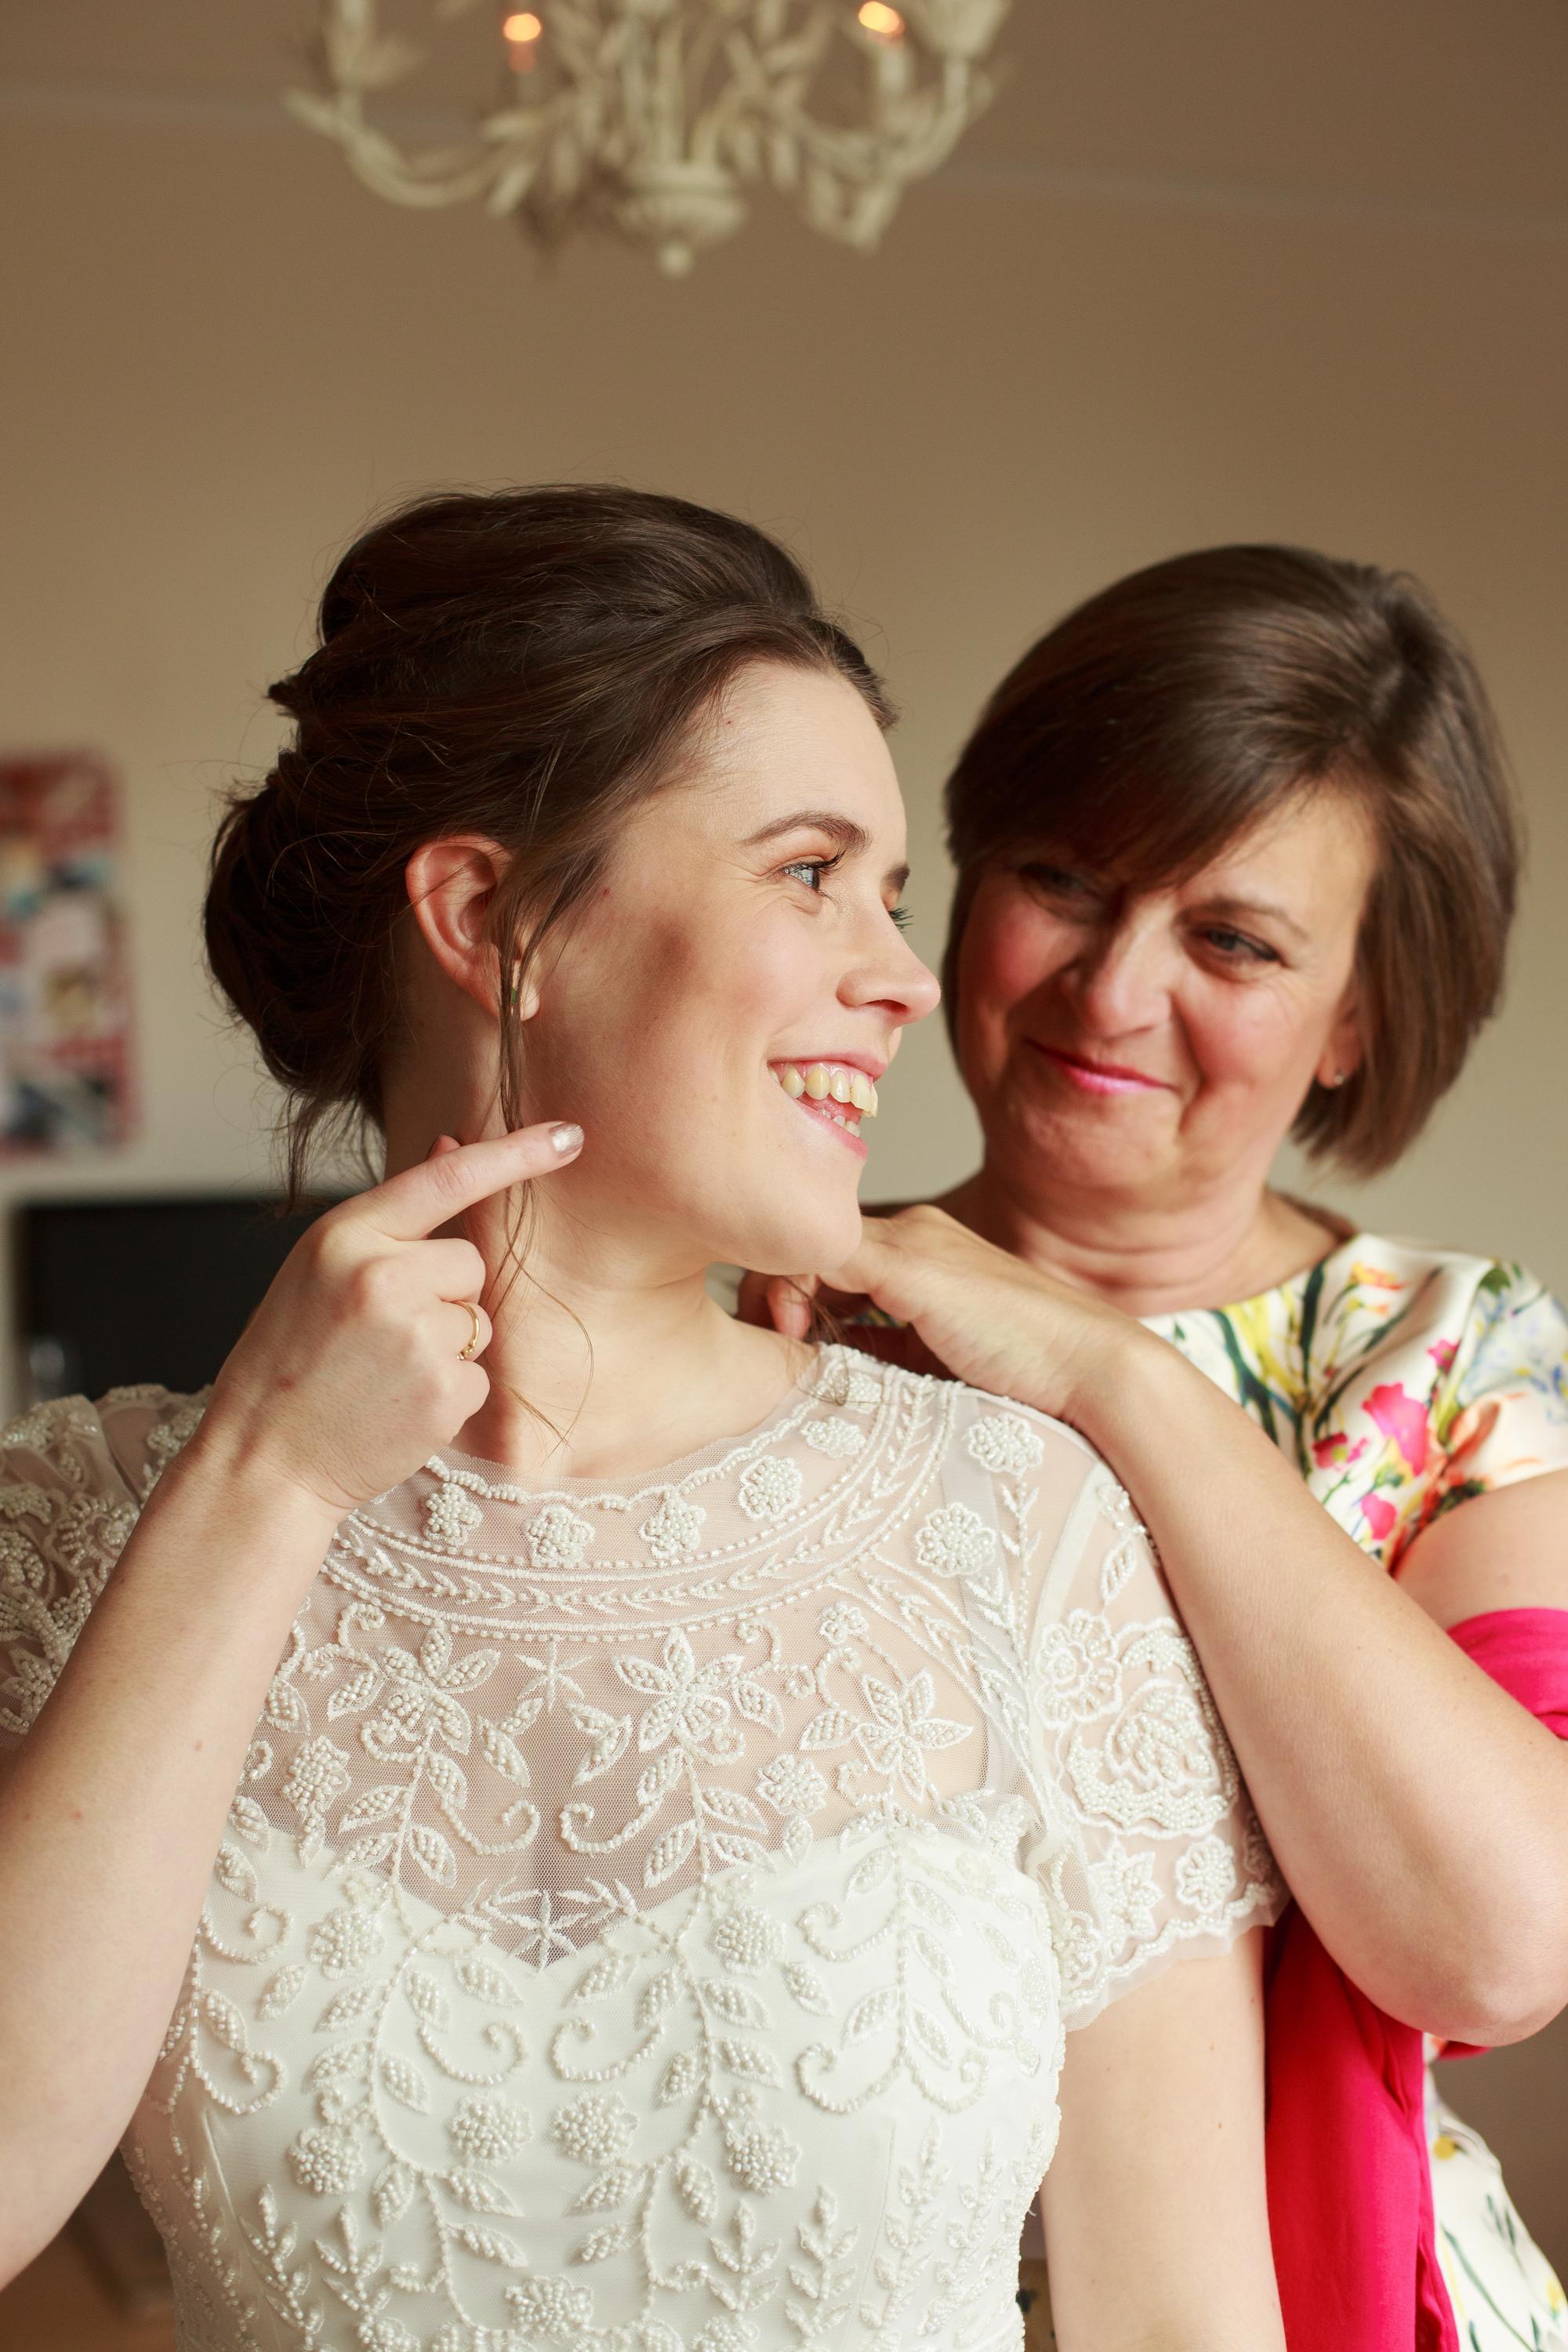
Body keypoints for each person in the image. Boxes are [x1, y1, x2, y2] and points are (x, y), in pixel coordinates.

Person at [0, 488, 1287, 2350]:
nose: (904, 977)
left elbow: (1182, 2322)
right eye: (807, 871)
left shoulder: (1021, 1531)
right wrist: (263, 1482)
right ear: (491, 917)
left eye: (894, 893)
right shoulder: (68, 1527)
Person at [744, 544, 1568, 2352]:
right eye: (1065, 880)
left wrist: (1113, 1377)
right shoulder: (757, 1311)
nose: (1110, 993)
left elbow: (1495, 1943)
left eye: (1232, 940)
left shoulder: (1455, 1359)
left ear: (1353, 1015)